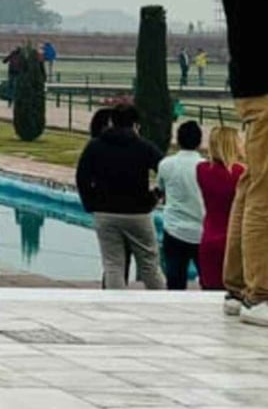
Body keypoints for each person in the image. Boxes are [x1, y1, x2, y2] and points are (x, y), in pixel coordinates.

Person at [218, 0, 268, 323]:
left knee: (252, 184)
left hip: (251, 88)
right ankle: (261, 294)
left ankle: (236, 288)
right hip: (266, 88)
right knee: (265, 192)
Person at [75, 103, 165, 289]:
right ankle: (163, 301)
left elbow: (82, 177)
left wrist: (91, 203)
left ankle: (114, 305)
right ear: (135, 125)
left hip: (105, 212)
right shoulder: (143, 146)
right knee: (149, 265)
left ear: (112, 121)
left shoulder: (95, 146)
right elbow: (165, 171)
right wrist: (155, 195)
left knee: (113, 265)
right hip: (138, 212)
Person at [156, 121, 206, 290]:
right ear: (199, 142)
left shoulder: (166, 164)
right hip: (201, 228)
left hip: (174, 228)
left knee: (175, 280)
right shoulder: (205, 167)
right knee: (207, 280)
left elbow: (161, 190)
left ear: (177, 140)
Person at [198, 126, 245, 293]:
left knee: (209, 292)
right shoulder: (241, 174)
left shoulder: (202, 170)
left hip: (209, 237)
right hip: (234, 241)